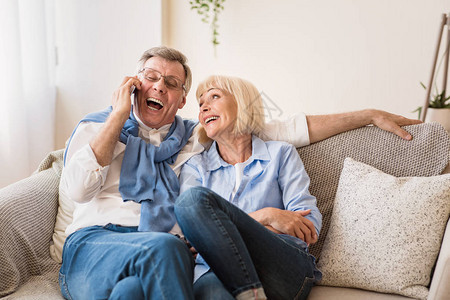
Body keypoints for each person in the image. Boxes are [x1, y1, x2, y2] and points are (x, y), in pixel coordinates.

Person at [59, 46, 421, 299]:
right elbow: (77, 190)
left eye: (171, 84)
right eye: (151, 78)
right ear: (134, 84)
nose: (159, 87)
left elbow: (286, 128)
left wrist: (368, 115)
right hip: (96, 245)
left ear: (180, 100)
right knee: (170, 245)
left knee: (131, 291)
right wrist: (118, 115)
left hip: (159, 256)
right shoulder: (98, 128)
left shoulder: (190, 140)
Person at [175, 75, 322, 300]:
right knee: (191, 203)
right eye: (201, 103)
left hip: (281, 268)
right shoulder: (196, 166)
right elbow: (194, 235)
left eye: (214, 96)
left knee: (194, 200)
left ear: (242, 103)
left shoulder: (280, 154)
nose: (204, 107)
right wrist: (268, 216)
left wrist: (220, 234)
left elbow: (308, 227)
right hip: (214, 270)